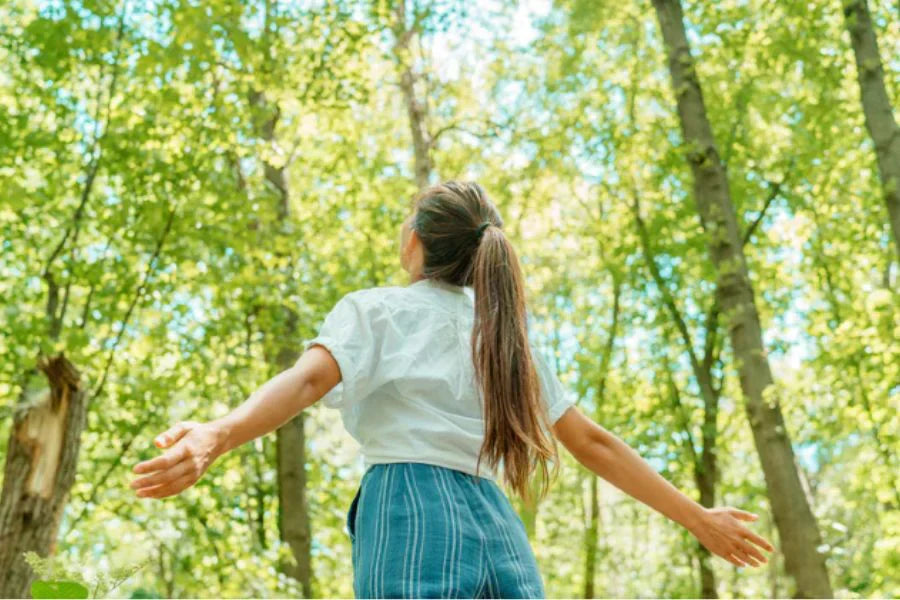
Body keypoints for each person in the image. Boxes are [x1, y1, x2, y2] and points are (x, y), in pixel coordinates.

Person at [131, 181, 774, 598]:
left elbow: (305, 382)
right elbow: (593, 442)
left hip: (409, 503)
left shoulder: (379, 309)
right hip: (496, 521)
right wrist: (698, 518)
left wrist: (217, 432)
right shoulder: (507, 339)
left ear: (414, 242)